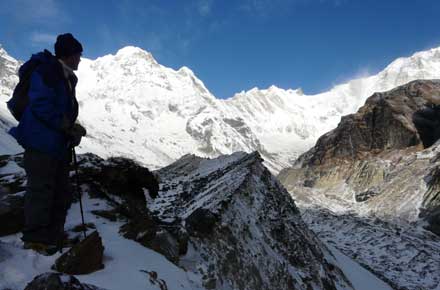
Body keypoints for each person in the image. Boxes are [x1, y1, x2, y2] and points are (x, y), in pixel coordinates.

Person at [9, 33, 86, 255]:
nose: (80, 59)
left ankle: (52, 238)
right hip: (41, 142)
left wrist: (72, 127)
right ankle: (35, 240)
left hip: (56, 144)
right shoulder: (48, 72)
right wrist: (66, 126)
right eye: (78, 55)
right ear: (69, 55)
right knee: (41, 190)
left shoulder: (65, 77)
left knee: (60, 192)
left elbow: (58, 109)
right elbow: (41, 104)